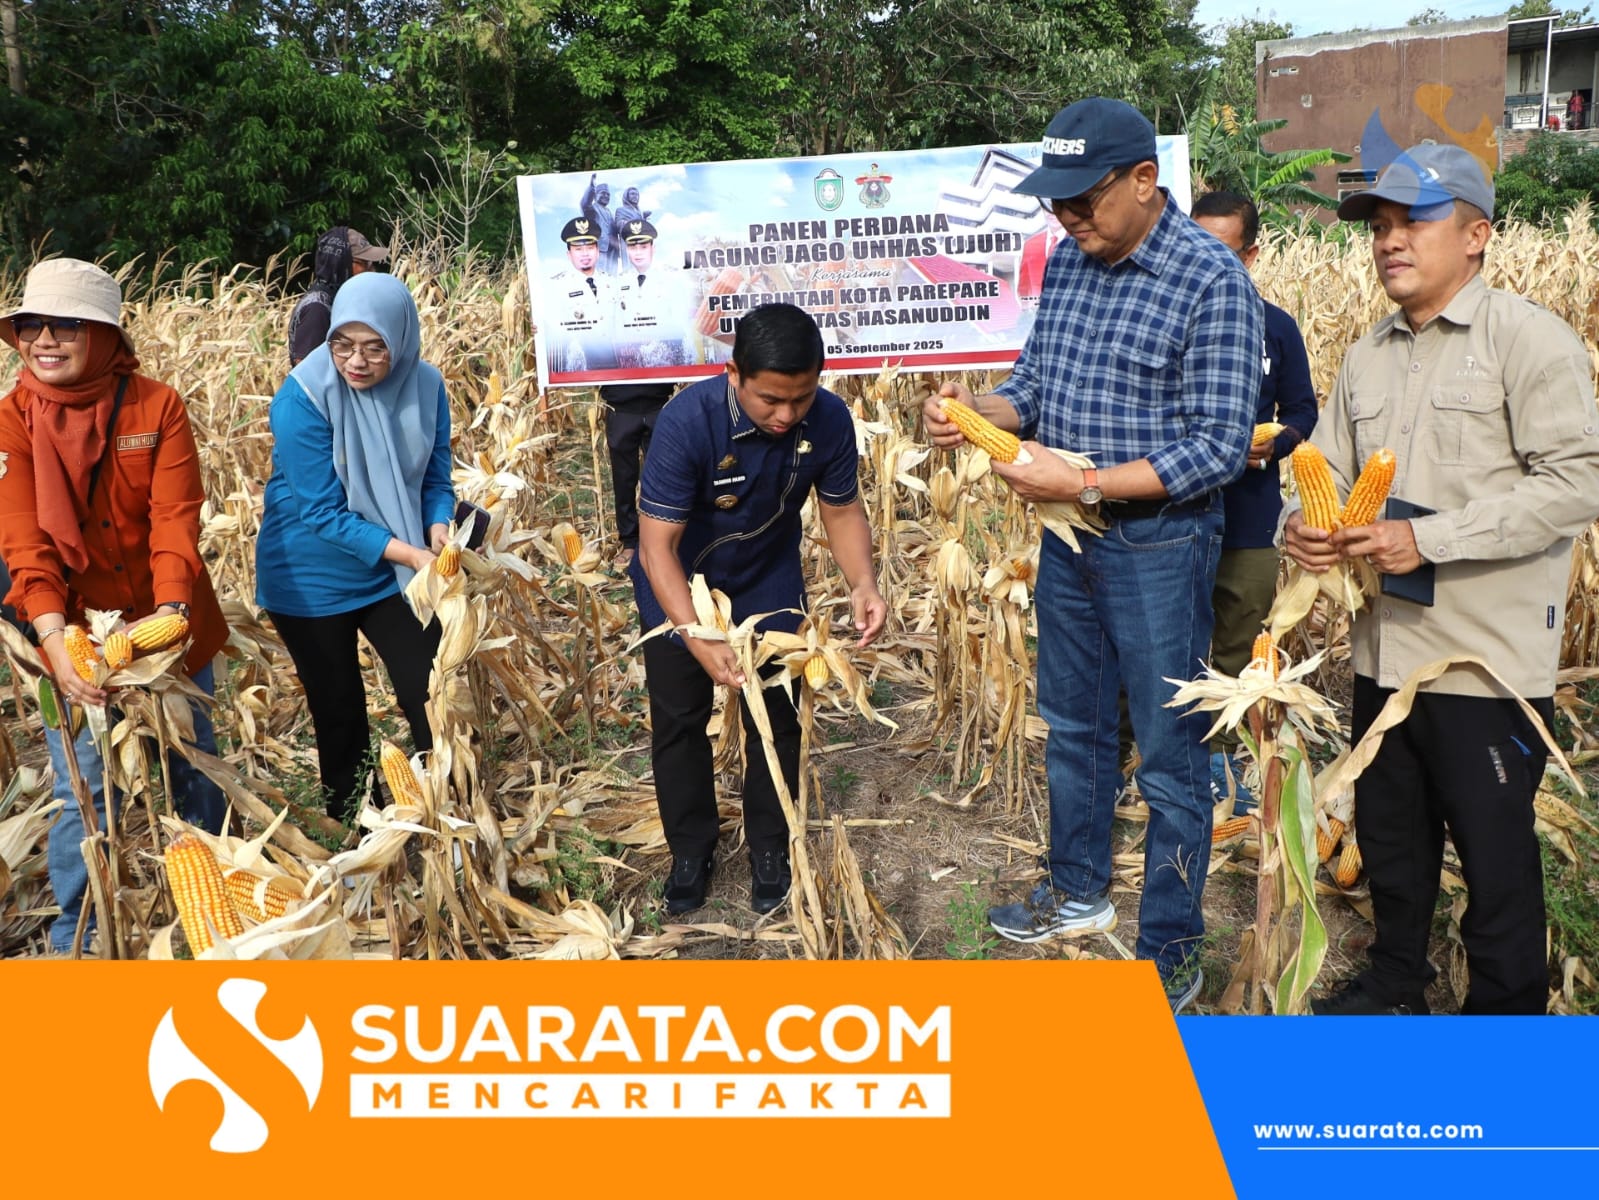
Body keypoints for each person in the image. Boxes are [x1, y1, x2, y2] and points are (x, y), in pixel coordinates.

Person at [923, 98, 1262, 1012]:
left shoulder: (1210, 282)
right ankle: (1076, 890)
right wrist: (976, 413)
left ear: (1144, 181)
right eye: (1056, 200)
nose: (1065, 215)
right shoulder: (1073, 259)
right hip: (1070, 542)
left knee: (1168, 755)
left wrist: (1082, 483)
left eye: (1082, 198)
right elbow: (1035, 386)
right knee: (1071, 727)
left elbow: (1217, 449)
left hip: (1159, 544)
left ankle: (1169, 946)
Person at [1285, 144, 1599, 1015]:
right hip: (1384, 654)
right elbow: (1326, 470)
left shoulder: (1527, 341)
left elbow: (1573, 485)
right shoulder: (1366, 356)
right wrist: (1301, 525)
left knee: (1494, 857)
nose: (1389, 241)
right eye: (1378, 227)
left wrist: (1428, 539)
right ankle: (1397, 979)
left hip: (1481, 664)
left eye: (1413, 222)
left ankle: (1502, 1017)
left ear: (1475, 235)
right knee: (1393, 837)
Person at [0, 257, 229, 953]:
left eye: (66, 325)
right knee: (86, 788)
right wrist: (55, 645)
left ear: (103, 335)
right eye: (32, 324)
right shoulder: (10, 420)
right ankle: (79, 932)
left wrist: (171, 614)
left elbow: (173, 519)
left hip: (168, 620)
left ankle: (220, 910)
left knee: (194, 766)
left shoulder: (156, 407)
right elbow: (26, 542)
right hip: (68, 630)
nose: (45, 339)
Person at [633, 303, 887, 916]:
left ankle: (771, 847)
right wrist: (697, 634)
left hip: (767, 576)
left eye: (801, 398)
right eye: (771, 399)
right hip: (680, 581)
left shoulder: (829, 419)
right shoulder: (687, 424)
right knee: (680, 720)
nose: (786, 415)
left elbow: (841, 509)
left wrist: (863, 582)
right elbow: (655, 547)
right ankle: (690, 850)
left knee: (779, 715)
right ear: (734, 374)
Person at [256, 272, 455, 824]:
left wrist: (437, 525)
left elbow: (436, 476)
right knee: (340, 711)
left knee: (430, 689)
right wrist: (412, 554)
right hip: (311, 575)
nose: (356, 362)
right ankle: (359, 830)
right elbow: (320, 513)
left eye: (375, 348)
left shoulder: (426, 386)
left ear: (402, 340)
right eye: (342, 345)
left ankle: (449, 806)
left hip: (392, 570)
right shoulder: (302, 397)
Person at [1190, 191, 1318, 793]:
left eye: (1223, 252)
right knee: (1163, 640)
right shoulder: (1166, 321)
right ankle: (1146, 754)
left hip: (1250, 516)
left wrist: (1275, 444)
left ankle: (1218, 757)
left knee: (1239, 643)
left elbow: (1302, 410)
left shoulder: (1276, 328)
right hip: (1173, 516)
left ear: (1251, 255)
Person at [287, 226, 389, 367]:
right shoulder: (317, 309)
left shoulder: (336, 300)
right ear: (340, 264)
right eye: (363, 263)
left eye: (370, 264)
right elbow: (306, 369)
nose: (371, 270)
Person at [612, 219, 694, 369]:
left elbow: (682, 325)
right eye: (632, 247)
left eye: (643, 247)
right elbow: (618, 327)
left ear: (653, 248)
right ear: (627, 250)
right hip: (631, 360)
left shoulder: (671, 278)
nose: (638, 253)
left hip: (666, 357)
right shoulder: (619, 282)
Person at [547, 217, 617, 374]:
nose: (585, 254)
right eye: (578, 249)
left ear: (597, 251)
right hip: (579, 365)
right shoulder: (556, 286)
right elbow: (552, 330)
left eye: (590, 248)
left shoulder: (612, 282)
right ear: (569, 254)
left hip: (614, 362)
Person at [580, 174, 618, 274]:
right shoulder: (592, 209)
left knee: (611, 277)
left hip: (610, 250)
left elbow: (616, 229)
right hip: (598, 248)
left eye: (608, 195)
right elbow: (585, 204)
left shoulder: (609, 212)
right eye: (603, 193)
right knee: (599, 276)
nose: (606, 196)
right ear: (595, 195)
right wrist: (591, 187)